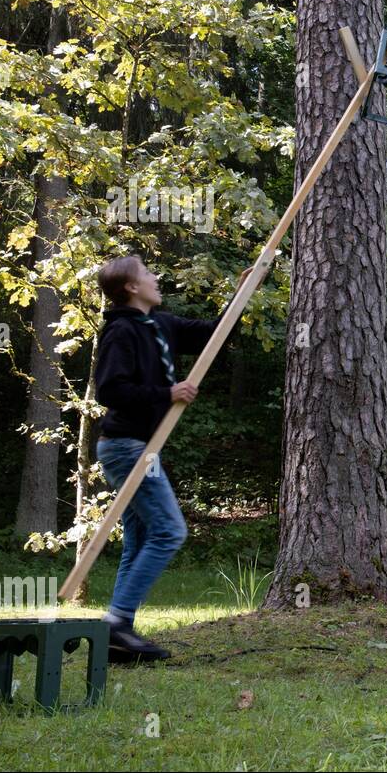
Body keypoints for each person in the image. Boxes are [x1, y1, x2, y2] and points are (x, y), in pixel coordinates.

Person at [92, 255, 247, 663]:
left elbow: (217, 335)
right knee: (169, 532)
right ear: (130, 287)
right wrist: (167, 394)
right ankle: (117, 623)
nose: (154, 278)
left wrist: (242, 292)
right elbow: (110, 390)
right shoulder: (120, 332)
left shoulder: (162, 324)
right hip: (125, 447)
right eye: (146, 274)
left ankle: (116, 639)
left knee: (142, 537)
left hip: (144, 448)